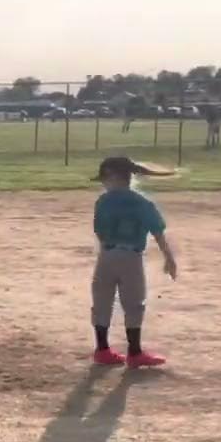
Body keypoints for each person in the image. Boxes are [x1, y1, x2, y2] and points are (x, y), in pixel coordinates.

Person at [90, 156, 177, 369]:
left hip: (105, 256)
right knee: (134, 304)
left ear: (113, 177)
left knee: (102, 302)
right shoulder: (142, 202)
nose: (103, 183)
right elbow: (157, 231)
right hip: (130, 257)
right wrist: (169, 257)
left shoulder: (102, 201)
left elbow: (99, 231)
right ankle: (134, 353)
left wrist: (108, 250)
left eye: (104, 178)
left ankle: (102, 350)